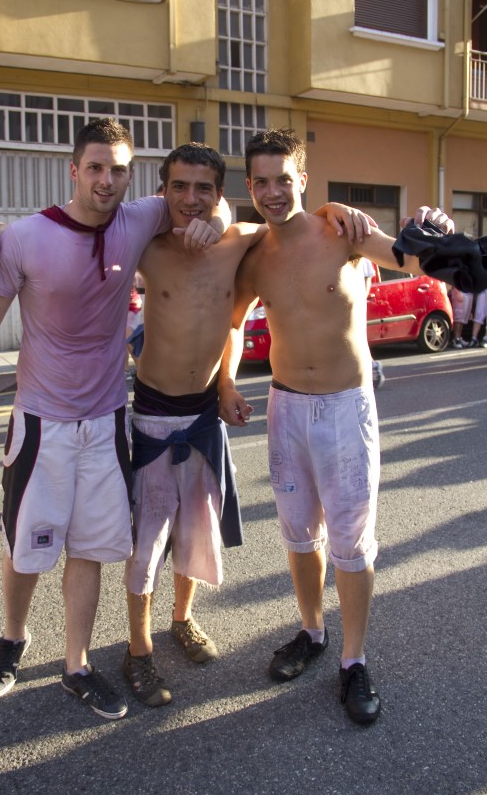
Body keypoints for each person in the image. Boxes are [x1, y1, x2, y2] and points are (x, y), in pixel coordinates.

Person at [0, 118, 229, 721]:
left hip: (107, 422)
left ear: (130, 176)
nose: (106, 180)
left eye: (118, 170)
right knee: (25, 546)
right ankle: (13, 638)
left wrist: (219, 221)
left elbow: (203, 202)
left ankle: (76, 665)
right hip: (41, 422)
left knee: (91, 548)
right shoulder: (25, 237)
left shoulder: (139, 218)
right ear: (74, 170)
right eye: (95, 167)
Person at [121, 143, 378, 708]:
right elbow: (92, 232)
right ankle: (138, 650)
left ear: (221, 195)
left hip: (211, 412)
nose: (191, 199)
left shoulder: (240, 240)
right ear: (163, 191)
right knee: (148, 540)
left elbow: (290, 228)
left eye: (204, 189)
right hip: (155, 411)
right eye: (179, 187)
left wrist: (334, 208)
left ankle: (184, 620)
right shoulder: (147, 246)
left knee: (196, 530)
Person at [218, 129, 454, 725]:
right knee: (299, 534)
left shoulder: (343, 232)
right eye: (261, 182)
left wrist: (436, 235)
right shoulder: (254, 256)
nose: (273, 192)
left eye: (283, 179)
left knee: (351, 540)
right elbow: (234, 324)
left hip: (346, 409)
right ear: (250, 187)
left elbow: (406, 255)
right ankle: (313, 632)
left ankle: (354, 660)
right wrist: (226, 383)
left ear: (302, 178)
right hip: (285, 409)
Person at [360, 259, 385, 389]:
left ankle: (372, 366)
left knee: (358, 340)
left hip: (354, 307)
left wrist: (361, 299)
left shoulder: (361, 258)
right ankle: (372, 366)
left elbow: (368, 277)